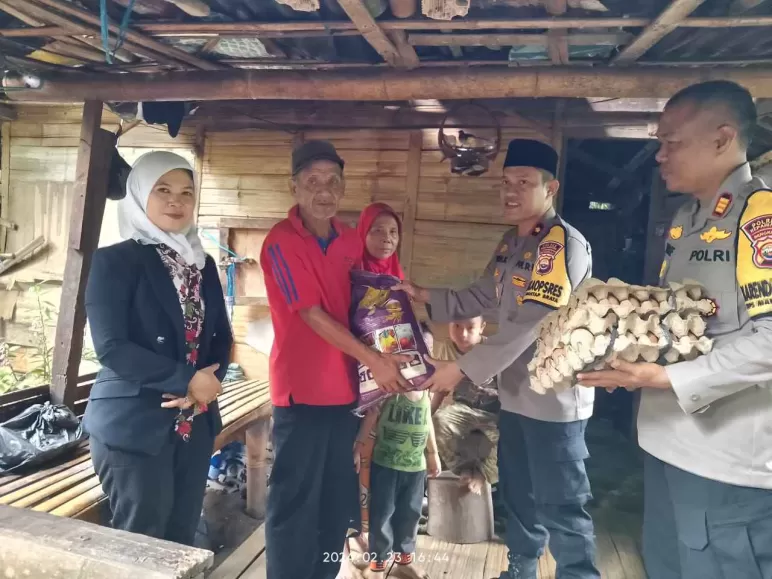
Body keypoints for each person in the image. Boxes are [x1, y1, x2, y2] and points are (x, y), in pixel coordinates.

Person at [577, 80, 772, 579]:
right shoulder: (686, 220)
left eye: (671, 142)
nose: (660, 156)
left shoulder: (759, 218)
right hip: (666, 442)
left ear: (722, 138)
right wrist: (631, 360)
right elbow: (681, 323)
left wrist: (668, 378)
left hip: (724, 460)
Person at [398, 139, 598, 579]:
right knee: (520, 494)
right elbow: (480, 296)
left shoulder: (560, 243)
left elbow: (533, 319)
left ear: (550, 188)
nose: (510, 192)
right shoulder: (512, 243)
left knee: (562, 504)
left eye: (523, 183)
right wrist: (425, 295)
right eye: (506, 182)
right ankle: (521, 570)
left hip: (554, 401)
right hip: (515, 394)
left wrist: (459, 369)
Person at [260, 141, 409, 579]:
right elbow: (310, 313)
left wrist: (399, 337)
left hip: (346, 392)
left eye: (332, 181)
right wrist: (374, 360)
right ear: (294, 187)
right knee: (294, 503)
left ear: (343, 188)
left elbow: (369, 298)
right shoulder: (281, 242)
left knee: (333, 501)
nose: (323, 191)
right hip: (301, 394)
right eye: (312, 181)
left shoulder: (348, 240)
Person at [84, 151, 232, 545]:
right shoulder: (115, 262)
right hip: (133, 426)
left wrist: (205, 385)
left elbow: (220, 337)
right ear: (139, 195)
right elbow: (111, 347)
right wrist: (186, 380)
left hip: (193, 423)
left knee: (182, 536)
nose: (175, 201)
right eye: (162, 190)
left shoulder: (202, 265)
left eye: (186, 192)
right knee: (142, 542)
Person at [341, 202, 407, 577]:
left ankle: (364, 530)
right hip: (350, 381)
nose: (387, 239)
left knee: (371, 459)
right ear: (363, 233)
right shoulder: (350, 277)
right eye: (378, 230)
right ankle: (347, 534)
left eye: (393, 232)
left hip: (384, 387)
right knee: (350, 455)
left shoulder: (398, 279)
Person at [354, 390, 441, 579]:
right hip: (386, 465)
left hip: (416, 467)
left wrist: (433, 453)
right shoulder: (389, 390)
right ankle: (377, 565)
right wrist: (359, 445)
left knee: (411, 514)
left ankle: (404, 560)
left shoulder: (425, 391)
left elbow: (427, 420)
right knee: (382, 515)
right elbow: (372, 415)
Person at [430, 315, 499, 494]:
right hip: (463, 408)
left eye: (470, 328)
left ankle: (484, 474)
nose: (463, 334)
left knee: (510, 436)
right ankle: (462, 468)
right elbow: (441, 387)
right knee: (439, 421)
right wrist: (428, 417)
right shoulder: (445, 349)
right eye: (457, 326)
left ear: (482, 327)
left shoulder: (494, 348)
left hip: (493, 412)